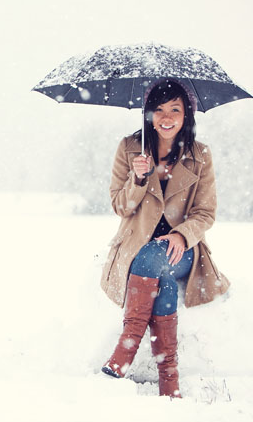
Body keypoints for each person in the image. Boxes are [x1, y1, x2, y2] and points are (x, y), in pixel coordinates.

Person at [99, 79, 230, 398]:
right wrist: (138, 177)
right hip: (135, 246)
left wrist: (183, 235)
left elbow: (205, 212)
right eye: (158, 110)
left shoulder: (201, 156)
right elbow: (121, 206)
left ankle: (125, 351)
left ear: (188, 114)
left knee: (158, 259)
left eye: (175, 109)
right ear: (148, 114)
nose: (166, 117)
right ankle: (169, 380)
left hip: (183, 250)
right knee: (163, 280)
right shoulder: (130, 149)